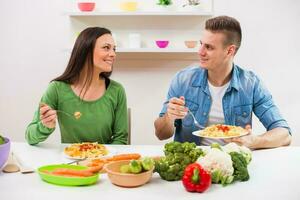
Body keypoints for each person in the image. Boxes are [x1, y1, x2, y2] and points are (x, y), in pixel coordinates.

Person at [154, 16, 291, 149]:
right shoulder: (183, 80)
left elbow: (284, 134)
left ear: (229, 50)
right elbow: (161, 134)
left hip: (233, 163)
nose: (200, 52)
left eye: (209, 47)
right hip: (191, 164)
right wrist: (169, 118)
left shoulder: (251, 84)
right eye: (201, 44)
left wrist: (254, 141)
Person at [25, 27, 128, 145]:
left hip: (104, 161)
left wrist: (102, 160)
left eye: (114, 49)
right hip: (69, 160)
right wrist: (44, 126)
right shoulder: (57, 89)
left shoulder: (117, 90)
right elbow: (30, 137)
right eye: (106, 48)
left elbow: (120, 139)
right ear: (86, 50)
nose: (113, 54)